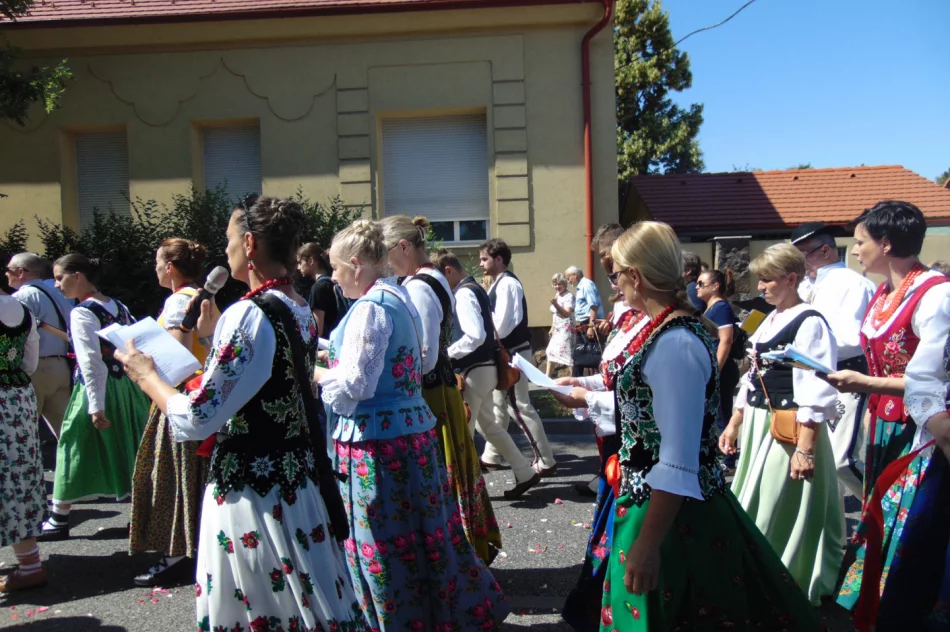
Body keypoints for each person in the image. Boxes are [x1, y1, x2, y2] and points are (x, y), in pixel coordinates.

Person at [116, 197, 366, 632]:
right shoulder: (299, 307)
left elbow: (199, 417)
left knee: (263, 606)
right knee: (306, 599)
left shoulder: (249, 314)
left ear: (250, 243)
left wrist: (147, 376)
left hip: (253, 489)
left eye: (230, 239)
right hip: (298, 481)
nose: (226, 248)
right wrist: (214, 340)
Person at [597, 222, 821, 630]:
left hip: (672, 514)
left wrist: (648, 544)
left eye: (616, 274)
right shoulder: (662, 329)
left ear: (636, 276)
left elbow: (678, 457)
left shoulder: (674, 341)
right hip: (652, 501)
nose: (615, 284)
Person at [315, 219, 509, 631]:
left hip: (378, 443)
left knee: (385, 542)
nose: (332, 277)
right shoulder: (398, 296)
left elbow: (357, 384)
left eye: (334, 268)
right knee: (425, 534)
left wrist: (315, 375)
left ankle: (399, 622)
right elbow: (410, 361)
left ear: (355, 264)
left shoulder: (370, 307)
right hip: (409, 432)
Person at [821, 201, 950, 617]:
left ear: (887, 243)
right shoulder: (882, 292)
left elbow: (931, 380)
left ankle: (902, 606)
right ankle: (874, 600)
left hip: (924, 429)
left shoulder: (935, 294)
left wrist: (864, 383)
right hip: (883, 420)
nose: (854, 251)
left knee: (913, 518)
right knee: (882, 509)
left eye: (860, 242)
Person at [720, 243, 845, 604]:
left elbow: (817, 389)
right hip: (762, 424)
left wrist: (805, 449)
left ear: (792, 279)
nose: (760, 287)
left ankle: (787, 581)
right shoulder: (768, 318)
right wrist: (734, 422)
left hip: (789, 430)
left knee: (779, 505)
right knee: (753, 502)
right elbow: (752, 378)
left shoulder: (811, 322)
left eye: (767, 280)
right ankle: (759, 577)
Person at [380, 215, 502, 565]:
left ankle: (454, 558)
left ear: (403, 247)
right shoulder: (431, 278)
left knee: (440, 480)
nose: (384, 260)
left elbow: (425, 356)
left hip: (432, 395)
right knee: (450, 476)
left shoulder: (419, 286)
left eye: (386, 251)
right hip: (442, 390)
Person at [556, 283, 651, 631]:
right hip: (624, 449)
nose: (614, 284)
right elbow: (619, 381)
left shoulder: (665, 331)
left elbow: (646, 405)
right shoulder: (632, 320)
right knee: (611, 539)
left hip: (647, 461)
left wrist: (587, 398)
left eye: (619, 273)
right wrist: (583, 385)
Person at [39, 254, 151, 541]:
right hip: (127, 387)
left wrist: (95, 404)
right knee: (131, 447)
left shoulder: (82, 312)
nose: (56, 284)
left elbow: (90, 362)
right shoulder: (119, 306)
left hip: (98, 387)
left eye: (60, 277)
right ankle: (140, 516)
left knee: (72, 445)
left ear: (77, 275)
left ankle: (58, 518)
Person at [129, 238, 218, 587]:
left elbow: (175, 352)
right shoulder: (202, 297)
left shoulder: (180, 300)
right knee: (192, 474)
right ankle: (190, 547)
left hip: (178, 394)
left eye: (157, 261)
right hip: (199, 393)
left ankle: (178, 553)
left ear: (169, 267)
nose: (154, 268)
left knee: (173, 475)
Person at [432, 248, 541, 499]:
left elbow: (475, 335)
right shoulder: (476, 288)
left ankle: (465, 491)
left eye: (440, 278)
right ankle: (524, 472)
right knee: (489, 426)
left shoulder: (464, 293)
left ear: (448, 270)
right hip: (484, 368)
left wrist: (447, 353)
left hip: (474, 370)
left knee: (464, 431)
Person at [790, 221, 876, 498]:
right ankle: (833, 532)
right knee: (821, 462)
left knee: (843, 461)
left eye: (802, 254)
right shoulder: (805, 286)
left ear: (825, 250)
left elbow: (854, 339)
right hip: (808, 378)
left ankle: (883, 513)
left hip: (844, 378)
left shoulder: (852, 284)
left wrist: (806, 345)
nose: (799, 262)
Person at [478, 238, 558, 478]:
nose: (481, 264)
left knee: (519, 407)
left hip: (512, 353)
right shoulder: (498, 284)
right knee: (498, 406)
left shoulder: (507, 285)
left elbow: (502, 324)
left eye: (484, 259)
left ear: (498, 259)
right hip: (505, 352)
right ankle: (492, 455)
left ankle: (546, 460)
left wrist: (482, 341)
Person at [0, 291, 46, 592]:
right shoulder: (21, 308)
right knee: (19, 476)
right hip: (18, 397)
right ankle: (30, 563)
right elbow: (30, 362)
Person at [7, 252, 74, 437]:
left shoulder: (22, 297)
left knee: (24, 432)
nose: (6, 274)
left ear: (20, 272)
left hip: (36, 368)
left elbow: (19, 337)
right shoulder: (58, 292)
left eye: (9, 270)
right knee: (67, 433)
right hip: (62, 366)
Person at [696, 268, 741, 466]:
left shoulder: (720, 307)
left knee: (722, 414)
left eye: (701, 284)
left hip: (721, 369)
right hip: (714, 367)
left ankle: (728, 458)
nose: (696, 287)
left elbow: (726, 340)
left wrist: (715, 370)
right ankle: (722, 454)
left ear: (715, 287)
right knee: (715, 414)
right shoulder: (710, 308)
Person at [297, 242, 345, 338]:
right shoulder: (331, 282)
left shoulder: (319, 287)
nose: (298, 267)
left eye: (300, 262)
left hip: (325, 346)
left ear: (311, 261)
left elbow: (317, 330)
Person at [566, 265, 604, 377]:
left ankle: (601, 378)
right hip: (582, 324)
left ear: (575, 275)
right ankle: (575, 382)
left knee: (594, 354)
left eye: (568, 278)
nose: (568, 281)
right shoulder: (581, 286)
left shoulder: (586, 285)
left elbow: (594, 306)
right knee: (578, 354)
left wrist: (591, 327)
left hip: (589, 322)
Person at [546, 273, 574, 376]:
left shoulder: (569, 296)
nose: (557, 287)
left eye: (559, 284)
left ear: (565, 285)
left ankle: (572, 378)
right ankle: (547, 378)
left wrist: (556, 305)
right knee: (550, 352)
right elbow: (555, 314)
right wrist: (552, 328)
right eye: (555, 284)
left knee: (567, 355)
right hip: (557, 329)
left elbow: (567, 313)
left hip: (565, 330)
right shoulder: (558, 295)